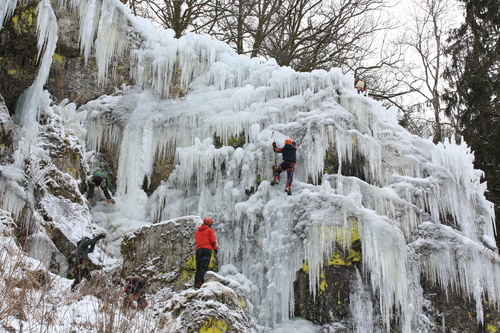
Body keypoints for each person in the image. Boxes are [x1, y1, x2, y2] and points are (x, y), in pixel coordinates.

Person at [194, 217, 218, 289]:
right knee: (204, 266)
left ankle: (197, 282)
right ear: (210, 223)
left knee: (198, 266)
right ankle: (199, 283)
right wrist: (215, 249)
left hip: (198, 250)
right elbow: (213, 241)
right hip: (206, 250)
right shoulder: (210, 230)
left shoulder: (197, 232)